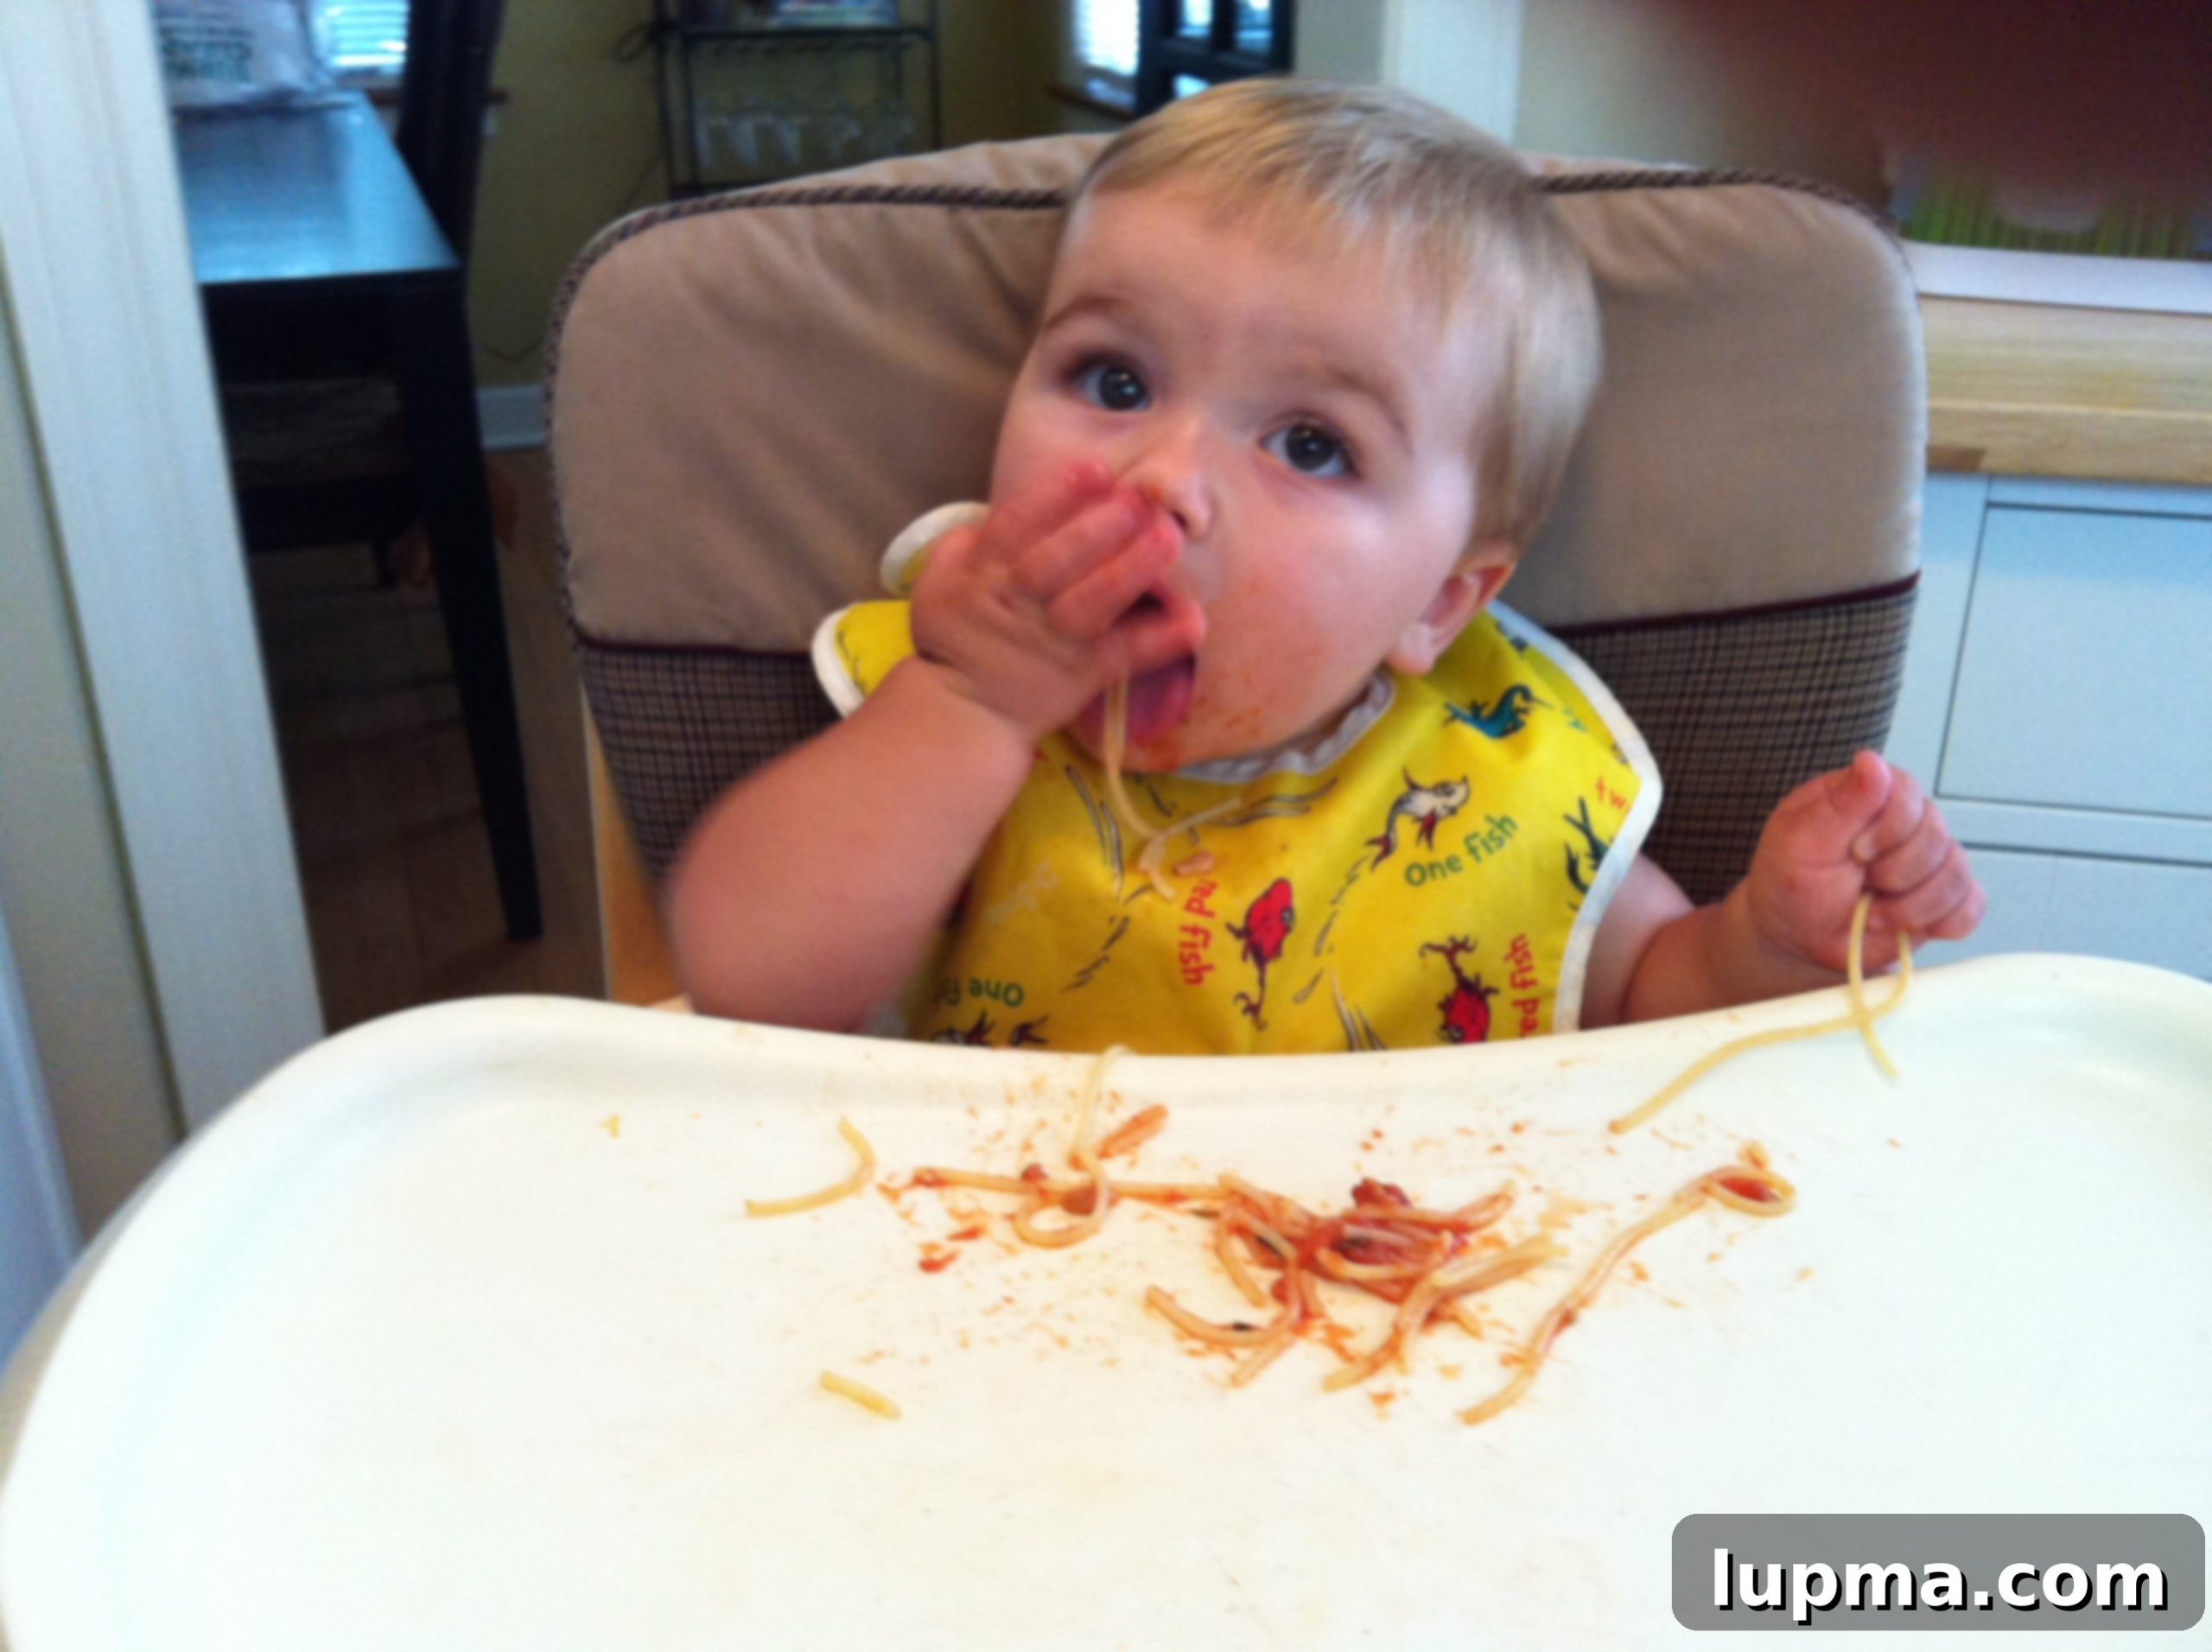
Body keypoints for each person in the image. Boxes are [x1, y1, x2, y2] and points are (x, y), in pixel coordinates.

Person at [667, 77, 1983, 1052]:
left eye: (1312, 443)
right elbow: (750, 980)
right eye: (1112, 378)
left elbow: (1644, 998)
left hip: (1398, 1323)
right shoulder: (945, 704)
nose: (1164, 482)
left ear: (1442, 601)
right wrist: (972, 706)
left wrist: (1769, 940)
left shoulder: (1493, 780)